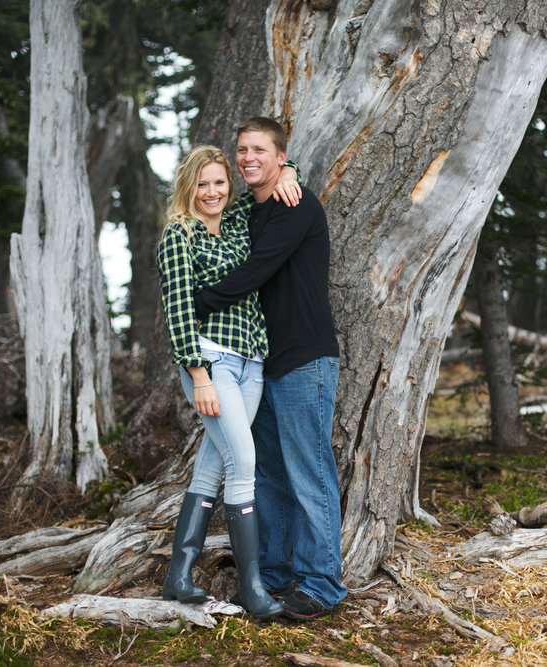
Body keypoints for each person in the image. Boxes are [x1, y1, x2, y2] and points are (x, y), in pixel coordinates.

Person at [193, 117, 346, 621]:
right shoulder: (245, 211)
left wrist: (202, 302)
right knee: (268, 476)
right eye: (242, 150)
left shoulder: (294, 204)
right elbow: (203, 208)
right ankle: (274, 575)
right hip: (258, 362)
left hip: (305, 358)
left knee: (309, 473)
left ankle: (322, 584)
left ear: (280, 156)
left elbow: (260, 268)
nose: (247, 158)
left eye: (259, 149)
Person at [155, 145, 299, 619]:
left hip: (252, 361)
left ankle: (178, 576)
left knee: (213, 465)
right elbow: (177, 309)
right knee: (245, 462)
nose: (212, 192)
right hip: (211, 361)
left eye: (219, 182)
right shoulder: (179, 235)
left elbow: (267, 182)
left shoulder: (236, 221)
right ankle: (254, 589)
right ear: (188, 187)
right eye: (202, 184)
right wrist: (198, 376)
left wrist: (290, 168)